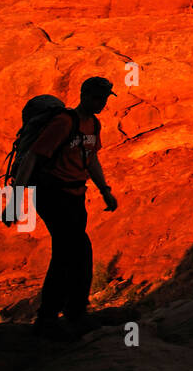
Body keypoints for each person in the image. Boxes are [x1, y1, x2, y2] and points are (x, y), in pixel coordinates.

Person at [14, 76, 119, 340]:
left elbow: (91, 158)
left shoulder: (93, 124)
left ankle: (69, 313)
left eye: (104, 98)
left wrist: (105, 190)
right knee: (71, 252)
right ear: (83, 95)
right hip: (53, 194)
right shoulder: (64, 123)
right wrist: (15, 200)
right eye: (97, 97)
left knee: (76, 251)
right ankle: (52, 317)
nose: (101, 102)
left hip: (75, 195)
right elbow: (32, 158)